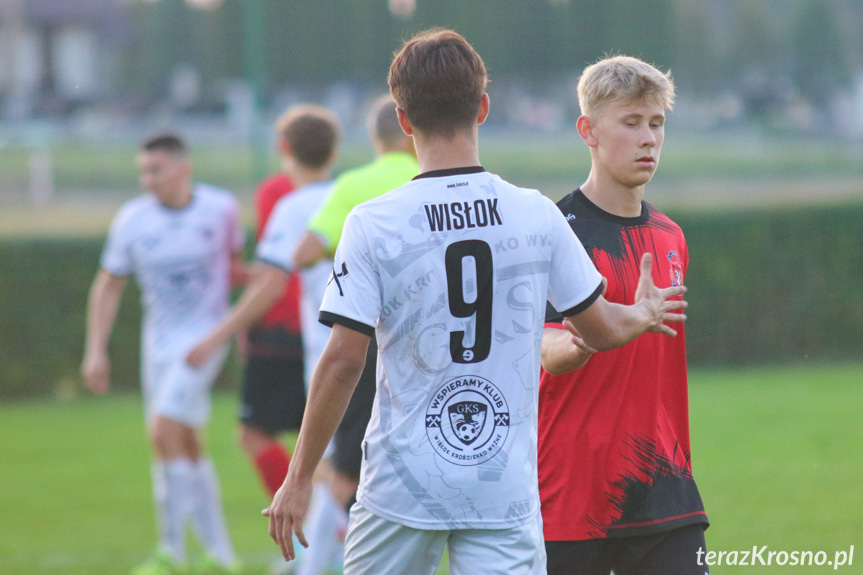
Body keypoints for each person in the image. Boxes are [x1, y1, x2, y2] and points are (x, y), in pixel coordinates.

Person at [264, 29, 688, 575]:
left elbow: (344, 360)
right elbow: (601, 329)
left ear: (402, 119)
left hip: (401, 486)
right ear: (483, 108)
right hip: (502, 488)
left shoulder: (373, 222)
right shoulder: (535, 213)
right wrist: (643, 313)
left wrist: (298, 479)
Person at [537, 56, 709, 575]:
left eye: (656, 124)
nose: (648, 139)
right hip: (572, 498)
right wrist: (591, 336)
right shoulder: (554, 232)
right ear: (588, 130)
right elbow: (546, 352)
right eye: (631, 123)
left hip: (666, 489)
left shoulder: (670, 236)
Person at [186, 104, 347, 575]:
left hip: (320, 350)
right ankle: (319, 547)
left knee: (325, 463)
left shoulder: (293, 207)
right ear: (334, 152)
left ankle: (314, 547)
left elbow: (272, 283)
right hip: (361, 344)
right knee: (336, 461)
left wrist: (218, 334)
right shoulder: (350, 194)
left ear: (284, 151)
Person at [81, 133, 241, 574]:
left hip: (205, 339)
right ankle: (221, 556)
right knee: (185, 441)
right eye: (143, 171)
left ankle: (172, 553)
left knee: (162, 430)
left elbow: (233, 267)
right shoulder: (132, 220)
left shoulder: (221, 208)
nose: (147, 179)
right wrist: (96, 350)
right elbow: (108, 285)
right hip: (159, 344)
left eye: (156, 169)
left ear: (183, 168)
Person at [292, 95, 418, 513]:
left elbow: (305, 253)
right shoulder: (430, 176)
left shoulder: (353, 186)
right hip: (430, 343)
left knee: (349, 472)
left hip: (370, 344)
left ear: (376, 138)